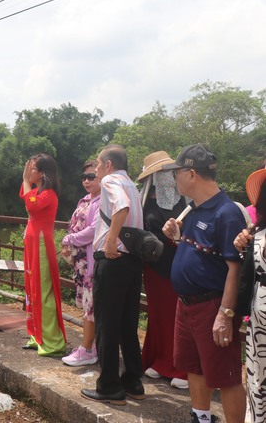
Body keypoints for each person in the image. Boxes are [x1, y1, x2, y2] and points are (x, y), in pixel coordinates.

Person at [162, 144, 246, 423]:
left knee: (227, 375)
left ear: (192, 174)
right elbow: (202, 255)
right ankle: (201, 417)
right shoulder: (193, 210)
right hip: (187, 304)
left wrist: (225, 313)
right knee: (194, 366)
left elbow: (234, 267)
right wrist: (177, 237)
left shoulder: (226, 212)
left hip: (212, 305)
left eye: (177, 173)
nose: (175, 179)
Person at [81, 144, 144, 406]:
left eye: (97, 164)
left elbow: (121, 207)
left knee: (107, 323)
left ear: (108, 165)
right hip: (132, 261)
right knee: (127, 323)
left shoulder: (109, 180)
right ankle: (132, 380)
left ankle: (109, 386)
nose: (94, 170)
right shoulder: (133, 184)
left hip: (112, 259)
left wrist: (110, 241)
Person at [137, 151, 189, 390]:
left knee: (176, 317)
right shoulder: (146, 201)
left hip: (178, 268)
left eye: (170, 172)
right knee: (158, 315)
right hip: (153, 269)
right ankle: (159, 360)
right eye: (162, 173)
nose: (167, 177)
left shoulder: (185, 203)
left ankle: (181, 366)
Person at [19, 153, 67, 356]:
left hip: (40, 245)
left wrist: (24, 180)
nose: (28, 171)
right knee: (31, 290)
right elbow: (25, 195)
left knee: (42, 290)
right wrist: (26, 180)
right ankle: (37, 335)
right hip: (32, 243)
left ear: (42, 173)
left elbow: (30, 204)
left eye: (32, 168)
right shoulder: (38, 190)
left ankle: (52, 341)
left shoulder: (49, 194)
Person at [60, 161, 100, 366]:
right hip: (81, 262)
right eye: (84, 177)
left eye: (91, 176)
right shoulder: (84, 200)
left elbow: (93, 230)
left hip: (92, 262)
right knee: (87, 305)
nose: (86, 180)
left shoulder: (103, 201)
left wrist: (69, 240)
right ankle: (90, 347)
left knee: (90, 306)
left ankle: (87, 349)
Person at [234, 167, 266, 422]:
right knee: (257, 378)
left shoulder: (256, 237)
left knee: (259, 379)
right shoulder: (254, 236)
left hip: (260, 319)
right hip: (259, 322)